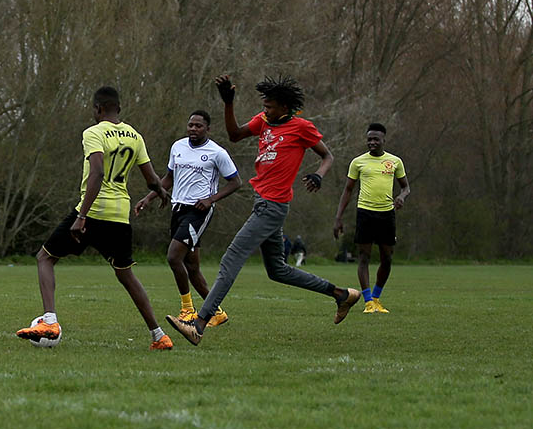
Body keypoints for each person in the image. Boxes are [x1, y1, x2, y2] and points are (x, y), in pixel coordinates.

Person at [166, 75, 361, 346]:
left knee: (230, 260)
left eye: (269, 106)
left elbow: (327, 156)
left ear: (284, 107)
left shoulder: (301, 127)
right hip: (262, 202)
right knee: (278, 270)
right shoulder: (264, 122)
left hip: (273, 207)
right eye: (264, 106)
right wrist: (228, 103)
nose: (265, 110)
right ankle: (341, 294)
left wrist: (319, 174)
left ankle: (198, 325)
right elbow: (234, 135)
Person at [16, 86, 175, 351]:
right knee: (126, 275)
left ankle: (50, 322)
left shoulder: (93, 133)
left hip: (94, 211)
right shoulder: (135, 135)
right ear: (119, 109)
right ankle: (159, 336)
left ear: (98, 108)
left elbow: (98, 172)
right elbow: (150, 179)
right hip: (120, 216)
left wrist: (82, 215)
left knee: (45, 258)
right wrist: (160, 191)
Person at [134, 109, 241, 328]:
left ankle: (187, 310)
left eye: (198, 126)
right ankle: (217, 313)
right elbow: (168, 179)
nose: (193, 129)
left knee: (174, 257)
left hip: (198, 212)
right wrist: (148, 198)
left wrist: (211, 199)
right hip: (178, 209)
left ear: (208, 129)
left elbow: (236, 182)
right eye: (190, 125)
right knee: (192, 267)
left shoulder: (216, 152)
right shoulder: (177, 147)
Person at [332, 122, 409, 314]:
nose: (372, 142)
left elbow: (406, 187)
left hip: (387, 214)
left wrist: (401, 196)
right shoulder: (358, 162)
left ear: (384, 140)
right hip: (365, 213)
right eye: (369, 139)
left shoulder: (395, 161)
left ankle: (376, 298)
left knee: (387, 258)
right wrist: (338, 217)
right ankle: (367, 302)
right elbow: (348, 190)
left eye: (376, 139)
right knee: (364, 257)